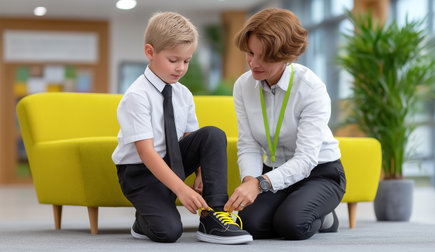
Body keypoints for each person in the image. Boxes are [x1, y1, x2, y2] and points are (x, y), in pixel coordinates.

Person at [112, 11, 252, 244]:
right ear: (150, 52)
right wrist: (181, 189)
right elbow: (146, 153)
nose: (180, 68)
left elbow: (191, 138)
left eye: (186, 61)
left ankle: (214, 216)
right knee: (168, 232)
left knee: (212, 134)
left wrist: (199, 173)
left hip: (172, 161)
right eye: (173, 60)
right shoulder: (136, 96)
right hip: (140, 173)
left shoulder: (183, 93)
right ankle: (142, 220)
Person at [224, 8, 347, 240]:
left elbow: (306, 160)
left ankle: (324, 214)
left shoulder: (311, 89)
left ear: (286, 55)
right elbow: (248, 144)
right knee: (248, 223)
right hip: (273, 172)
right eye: (250, 53)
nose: (254, 63)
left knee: (292, 224)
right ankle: (292, 207)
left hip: (319, 173)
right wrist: (250, 182)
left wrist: (259, 185)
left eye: (265, 56)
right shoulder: (243, 86)